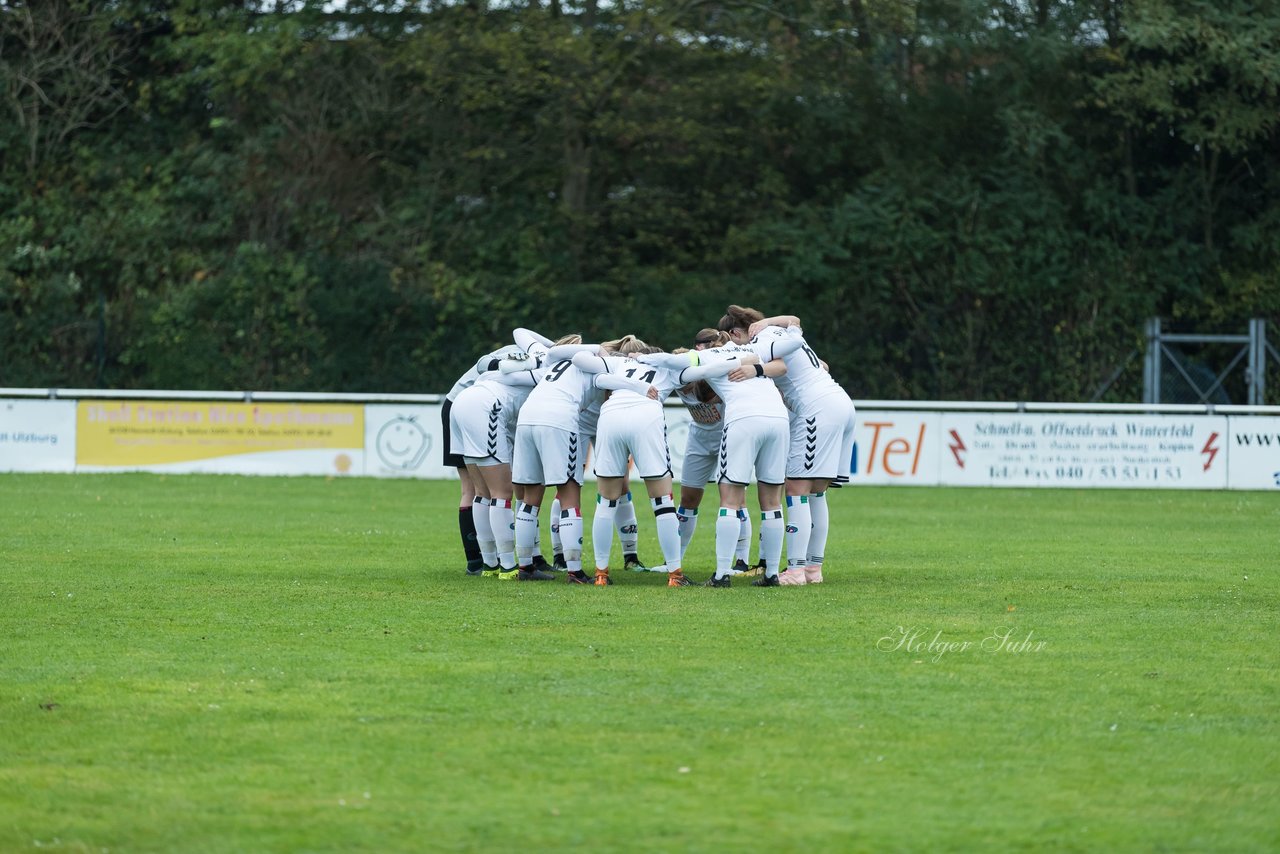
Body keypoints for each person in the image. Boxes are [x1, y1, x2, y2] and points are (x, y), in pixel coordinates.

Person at [637, 327, 804, 587]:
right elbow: (794, 344)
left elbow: (671, 360)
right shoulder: (754, 348)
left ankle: (722, 574)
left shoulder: (709, 355)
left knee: (730, 498)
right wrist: (793, 328)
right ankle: (771, 574)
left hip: (744, 419)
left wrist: (640, 359)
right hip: (778, 419)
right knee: (772, 500)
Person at [733, 306, 858, 585]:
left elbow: (770, 363)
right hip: (839, 401)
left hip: (818, 409)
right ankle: (813, 570)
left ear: (737, 333)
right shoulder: (780, 329)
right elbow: (799, 326)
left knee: (796, 488)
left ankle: (796, 571)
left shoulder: (761, 340)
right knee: (816, 492)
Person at [573, 338, 690, 587]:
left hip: (610, 415)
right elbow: (701, 369)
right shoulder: (666, 367)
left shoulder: (619, 363)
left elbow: (586, 367)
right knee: (662, 501)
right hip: (646, 416)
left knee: (606, 500)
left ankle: (601, 574)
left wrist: (602, 354)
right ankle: (675, 575)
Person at [673, 330, 784, 575]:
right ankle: (674, 562)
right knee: (688, 499)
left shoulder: (721, 368)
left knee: (735, 498)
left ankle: (740, 562)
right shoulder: (680, 376)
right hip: (699, 438)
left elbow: (773, 363)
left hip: (730, 432)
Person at [501, 336, 605, 585]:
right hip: (558, 419)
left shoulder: (553, 363)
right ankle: (575, 572)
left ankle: (525, 567)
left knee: (529, 498)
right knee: (569, 495)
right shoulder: (600, 361)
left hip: (528, 416)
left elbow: (522, 334)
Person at [442, 336, 544, 576]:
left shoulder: (524, 358)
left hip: (460, 401)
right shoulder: (544, 368)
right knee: (502, 492)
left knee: (480, 492)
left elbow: (485, 364)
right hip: (484, 406)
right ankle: (507, 567)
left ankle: (486, 564)